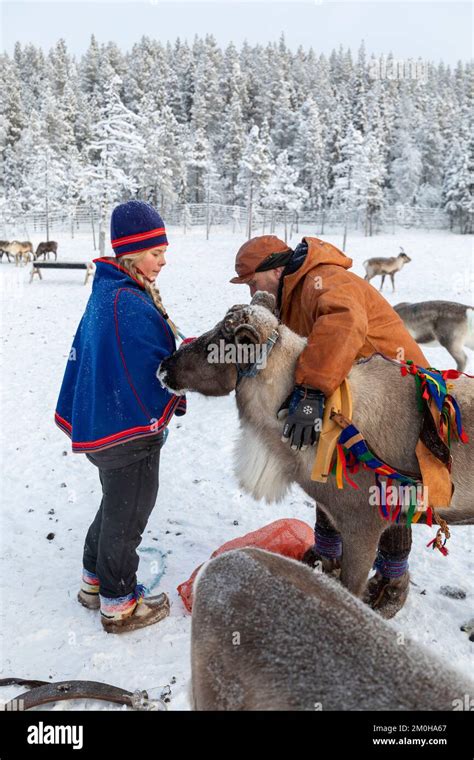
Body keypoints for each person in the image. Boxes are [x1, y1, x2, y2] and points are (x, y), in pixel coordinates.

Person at [230, 234, 428, 617]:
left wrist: (311, 390)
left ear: (274, 269)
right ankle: (328, 553)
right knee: (328, 471)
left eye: (253, 282)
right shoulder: (292, 291)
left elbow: (344, 322)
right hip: (350, 397)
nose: (254, 291)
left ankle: (392, 575)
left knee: (385, 489)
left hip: (395, 399)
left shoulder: (324, 280)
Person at [55, 200, 186, 633]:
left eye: (164, 251)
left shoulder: (111, 288)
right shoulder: (126, 303)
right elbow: (151, 368)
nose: (163, 260)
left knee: (115, 506)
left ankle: (92, 583)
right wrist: (187, 368)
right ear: (130, 254)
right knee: (129, 517)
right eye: (155, 253)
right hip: (127, 435)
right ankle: (119, 604)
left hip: (105, 427)